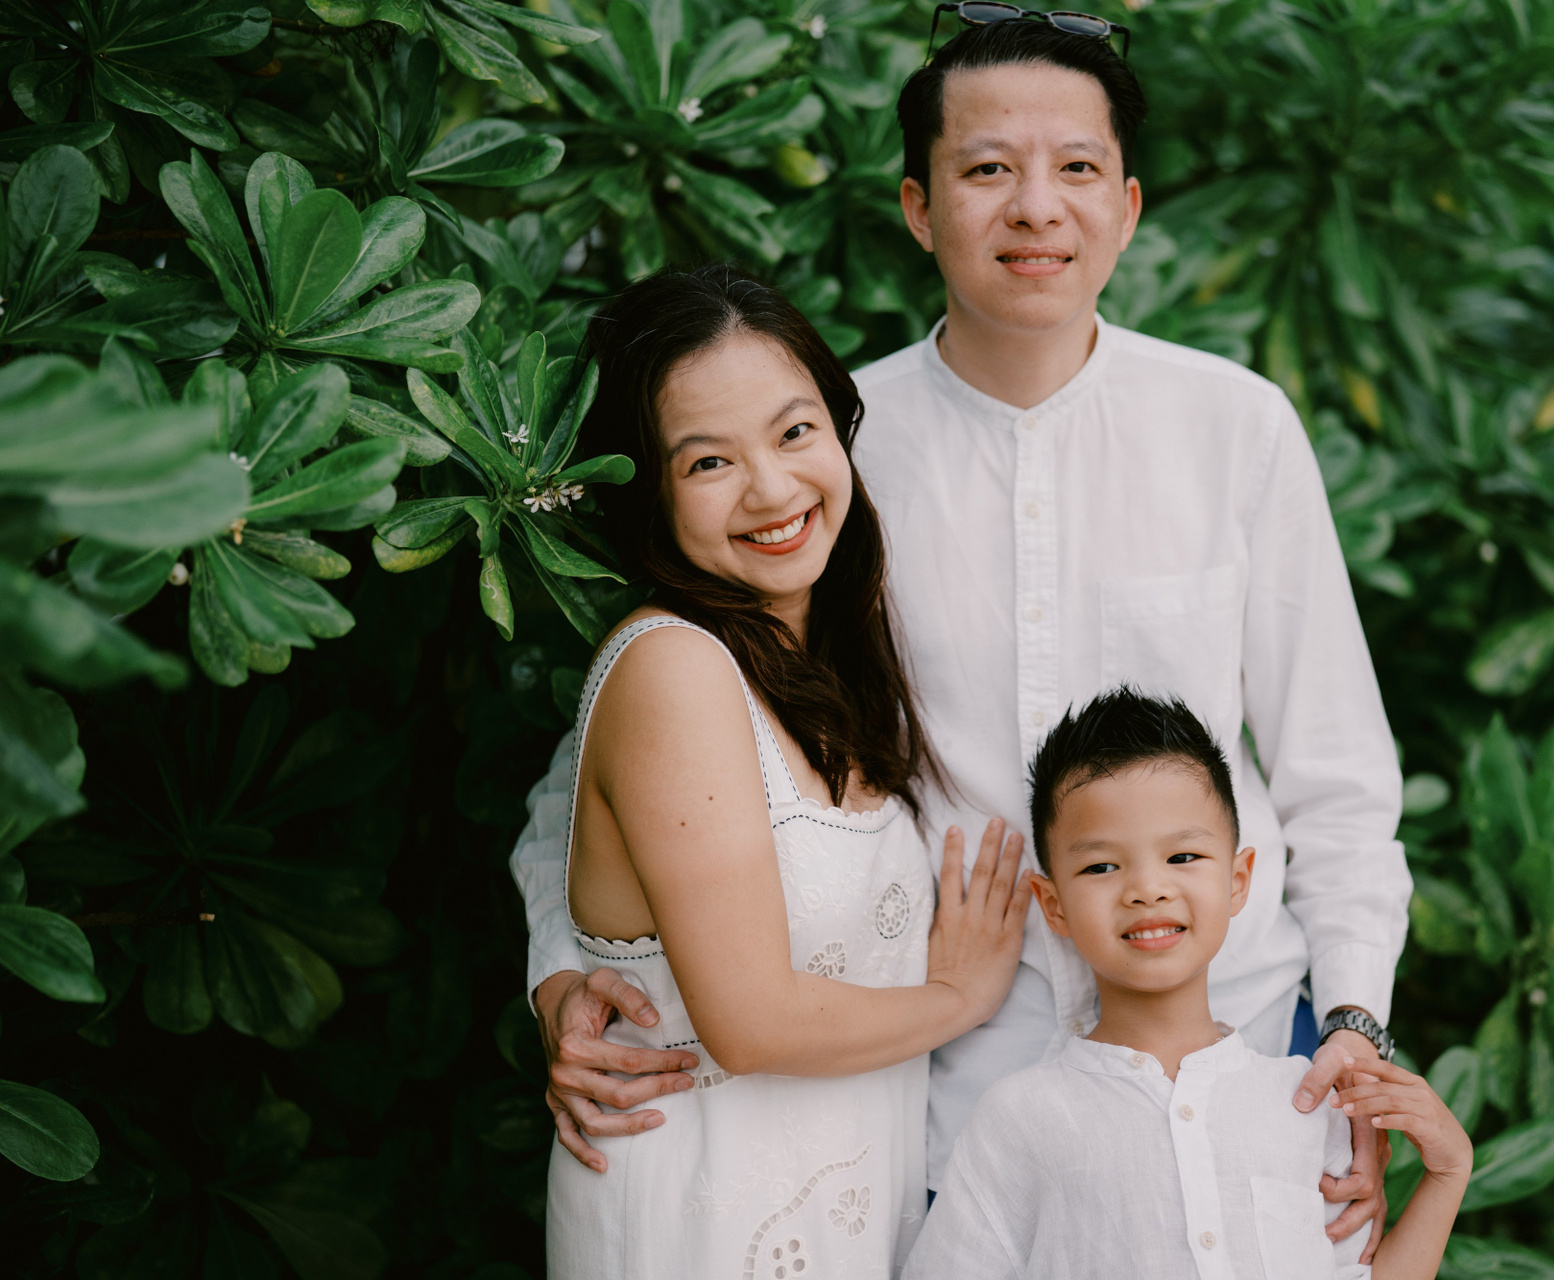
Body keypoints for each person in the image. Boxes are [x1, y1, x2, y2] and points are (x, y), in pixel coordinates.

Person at [513, 12, 1411, 1249]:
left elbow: (1340, 786)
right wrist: (567, 974)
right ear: (920, 208)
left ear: (1128, 206)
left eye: (1077, 167)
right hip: (952, 1097)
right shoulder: (824, 457)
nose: (1036, 206)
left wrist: (1356, 1027)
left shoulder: (1236, 429)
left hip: (1237, 1059)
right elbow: (619, 762)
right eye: (988, 168)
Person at [536, 263, 1030, 1278]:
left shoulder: (825, 651)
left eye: (795, 431)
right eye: (708, 461)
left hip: (834, 1208)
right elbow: (751, 1021)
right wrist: (959, 995)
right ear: (650, 492)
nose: (771, 488)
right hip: (704, 1219)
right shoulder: (674, 666)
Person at [903, 689, 1470, 1279]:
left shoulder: (1305, 1104)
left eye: (1182, 857)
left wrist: (1449, 1174)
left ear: (1238, 880)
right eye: (1101, 866)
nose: (1147, 889)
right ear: (1054, 905)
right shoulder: (1020, 1119)